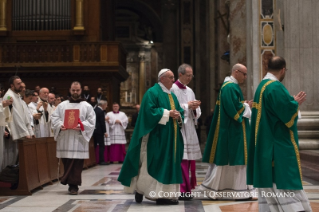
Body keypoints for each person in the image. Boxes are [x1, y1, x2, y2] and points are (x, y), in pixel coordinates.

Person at [247, 56, 312, 211]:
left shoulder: (262, 86)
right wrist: (294, 104)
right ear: (283, 69)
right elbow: (286, 115)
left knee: (271, 188)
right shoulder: (275, 87)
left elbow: (274, 111)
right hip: (277, 147)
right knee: (285, 185)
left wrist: (291, 103)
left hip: (266, 145)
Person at [118, 69, 184, 205]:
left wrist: (178, 115)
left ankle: (166, 195)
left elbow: (179, 111)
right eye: (171, 77)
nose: (173, 80)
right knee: (154, 163)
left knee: (168, 164)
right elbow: (149, 112)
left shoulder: (172, 95)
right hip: (156, 137)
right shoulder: (152, 93)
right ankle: (153, 194)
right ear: (162, 79)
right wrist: (167, 113)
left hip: (171, 138)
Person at [197, 63, 253, 200]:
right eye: (244, 74)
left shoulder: (230, 86)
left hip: (230, 129)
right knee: (233, 159)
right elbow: (231, 107)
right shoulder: (229, 87)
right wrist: (246, 105)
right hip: (231, 130)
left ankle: (234, 190)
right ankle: (236, 191)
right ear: (236, 72)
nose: (245, 77)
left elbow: (233, 104)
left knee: (232, 161)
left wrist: (243, 104)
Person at [51, 81, 95, 195]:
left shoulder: (87, 106)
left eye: (77, 90)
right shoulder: (62, 105)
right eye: (73, 90)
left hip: (78, 139)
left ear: (81, 90)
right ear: (70, 90)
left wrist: (81, 126)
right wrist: (60, 125)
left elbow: (91, 122)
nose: (75, 92)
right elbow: (54, 118)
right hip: (65, 139)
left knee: (76, 164)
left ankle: (73, 186)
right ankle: (69, 182)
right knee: (67, 161)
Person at [171, 63, 202, 200]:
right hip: (178, 127)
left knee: (188, 159)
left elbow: (196, 112)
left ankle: (187, 188)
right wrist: (187, 106)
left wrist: (195, 108)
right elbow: (172, 107)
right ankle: (182, 189)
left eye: (192, 75)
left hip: (189, 128)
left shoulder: (190, 90)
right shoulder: (172, 89)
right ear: (180, 75)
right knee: (182, 159)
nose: (190, 78)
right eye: (188, 75)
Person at [3, 76, 34, 141]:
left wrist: (30, 131)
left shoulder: (18, 97)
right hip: (14, 132)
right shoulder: (9, 96)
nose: (21, 85)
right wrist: (25, 132)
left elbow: (26, 116)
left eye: (21, 83)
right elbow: (15, 116)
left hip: (22, 131)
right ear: (12, 86)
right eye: (18, 84)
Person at [93, 100, 109, 165]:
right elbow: (102, 122)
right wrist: (105, 132)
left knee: (94, 145)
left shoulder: (94, 110)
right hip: (99, 131)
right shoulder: (101, 111)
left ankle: (94, 160)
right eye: (106, 105)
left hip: (94, 130)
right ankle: (101, 160)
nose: (106, 106)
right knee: (101, 145)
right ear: (103, 105)